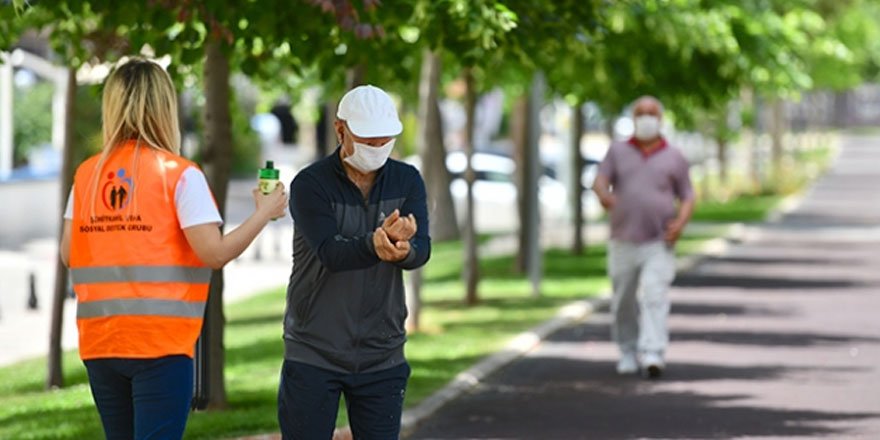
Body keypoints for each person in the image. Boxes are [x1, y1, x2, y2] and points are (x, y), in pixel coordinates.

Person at [59, 58, 287, 439]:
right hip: (160, 346)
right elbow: (214, 254)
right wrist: (263, 213)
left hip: (100, 343)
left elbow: (70, 254)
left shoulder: (88, 175)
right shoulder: (179, 175)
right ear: (166, 107)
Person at [278, 84, 431, 439]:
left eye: (385, 140)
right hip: (314, 349)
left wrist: (405, 249)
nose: (377, 148)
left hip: (383, 351)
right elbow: (331, 252)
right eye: (368, 141)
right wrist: (375, 244)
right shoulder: (310, 184)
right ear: (340, 130)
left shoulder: (407, 180)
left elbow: (422, 249)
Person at [592, 96, 695, 379]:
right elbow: (600, 180)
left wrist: (681, 223)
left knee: (655, 295)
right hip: (623, 240)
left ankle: (653, 352)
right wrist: (604, 195)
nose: (646, 117)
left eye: (652, 113)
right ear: (633, 117)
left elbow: (687, 195)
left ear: (660, 119)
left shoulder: (674, 156)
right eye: (641, 113)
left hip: (658, 241)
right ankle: (627, 350)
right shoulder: (617, 151)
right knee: (623, 298)